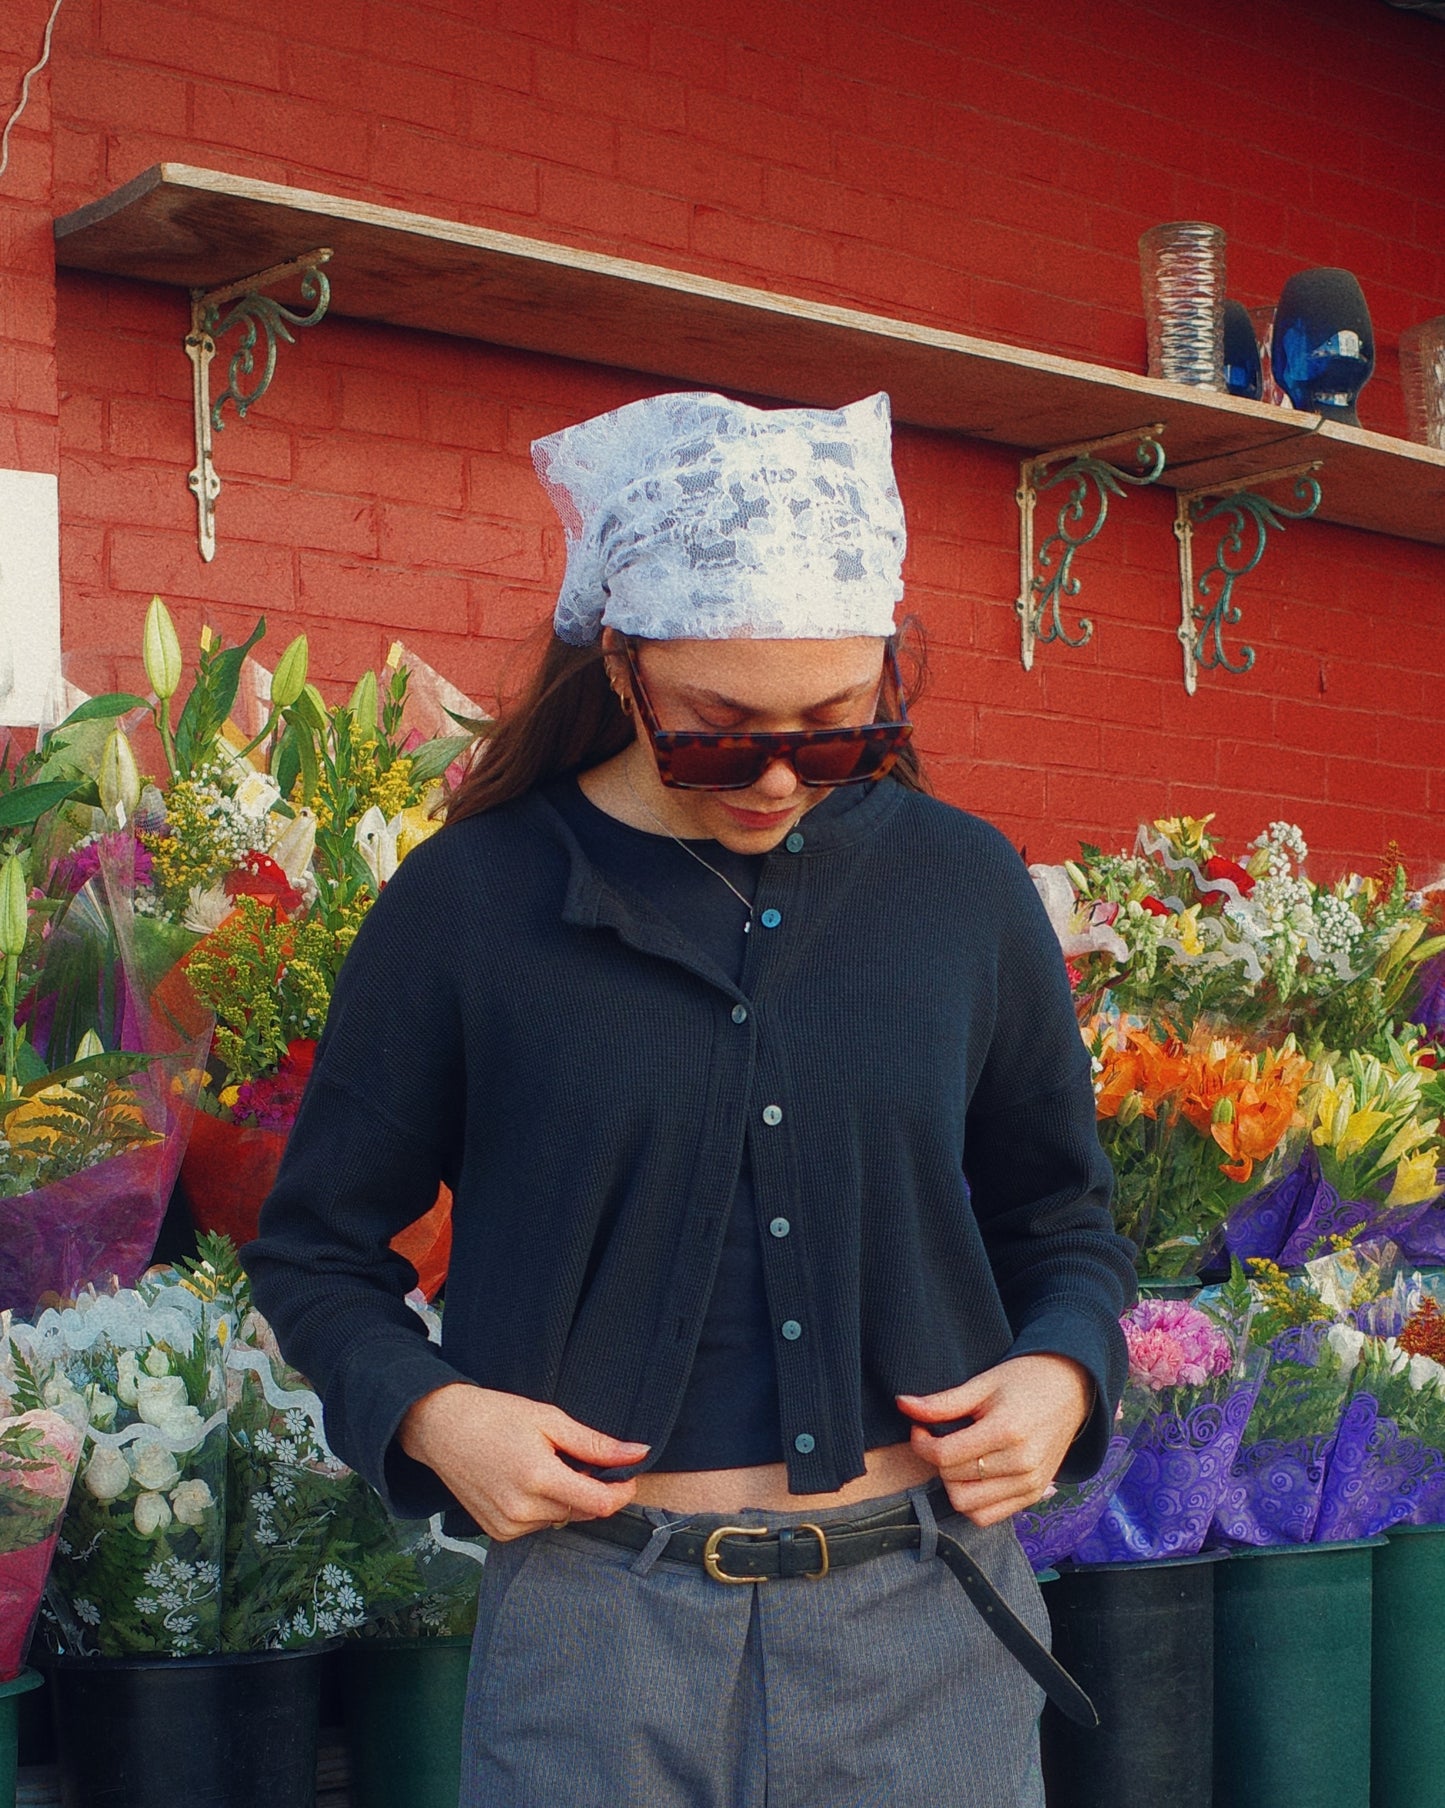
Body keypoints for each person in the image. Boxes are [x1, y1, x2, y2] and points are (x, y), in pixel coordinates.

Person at [244, 388, 1137, 1808]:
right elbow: (312, 1250)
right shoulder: (472, 903)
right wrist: (430, 1416)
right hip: (595, 1640)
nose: (780, 775)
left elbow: (1060, 1216)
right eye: (720, 731)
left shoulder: (959, 885)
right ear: (619, 661)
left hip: (923, 1628)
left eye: (839, 729)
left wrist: (1065, 1368)